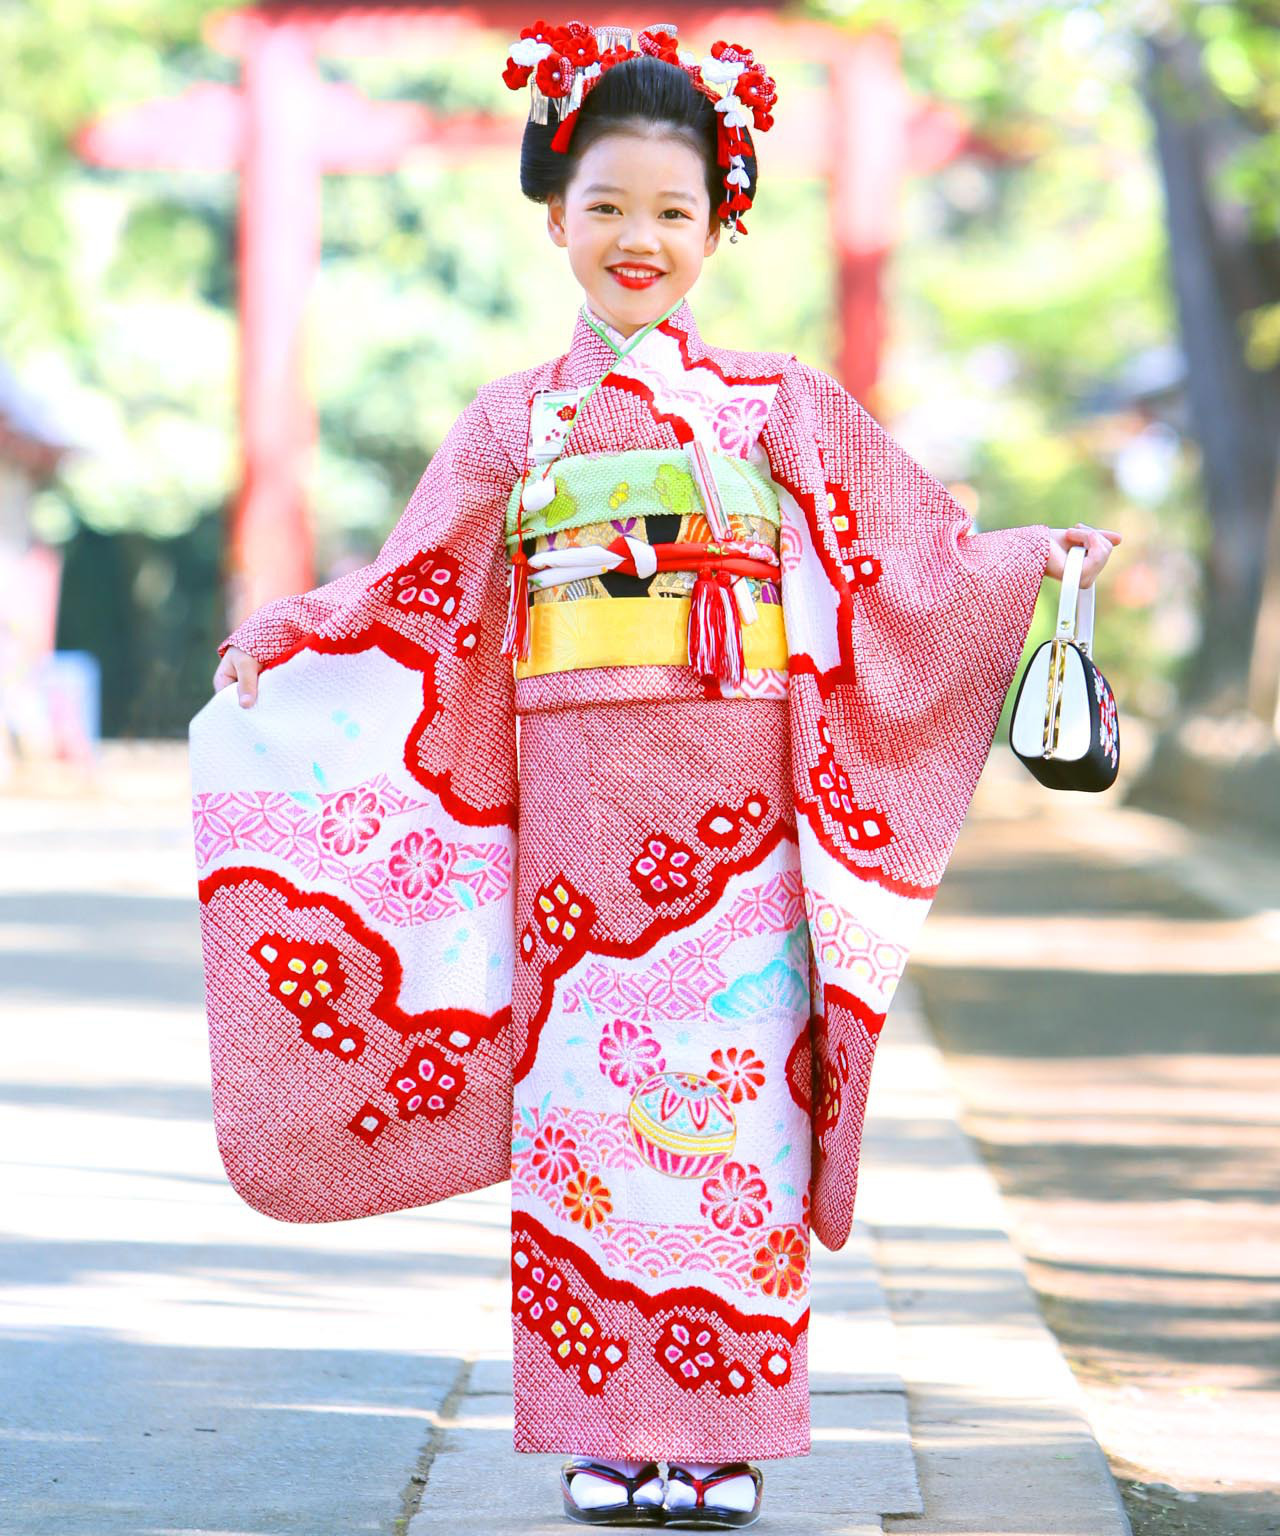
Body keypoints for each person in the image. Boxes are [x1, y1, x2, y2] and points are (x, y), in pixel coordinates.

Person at [201, 18, 1118, 1532]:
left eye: (675, 213)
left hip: (741, 823)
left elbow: (921, 559)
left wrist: (1034, 563)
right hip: (575, 820)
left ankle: (727, 1433)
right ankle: (605, 1424)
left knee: (732, 1112)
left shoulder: (775, 404)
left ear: (722, 224)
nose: (641, 239)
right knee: (585, 1115)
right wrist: (297, 634)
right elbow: (413, 582)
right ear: (553, 211)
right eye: (609, 206)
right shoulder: (519, 417)